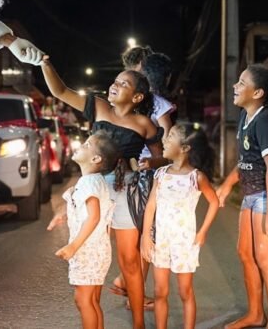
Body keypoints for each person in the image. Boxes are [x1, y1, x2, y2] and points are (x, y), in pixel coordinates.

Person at [41, 55, 161, 329]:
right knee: (92, 252)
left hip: (125, 192)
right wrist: (46, 63)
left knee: (129, 261)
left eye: (124, 83)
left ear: (138, 96)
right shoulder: (97, 106)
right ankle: (92, 313)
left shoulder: (145, 125)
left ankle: (139, 323)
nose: (115, 85)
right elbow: (59, 91)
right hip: (96, 185)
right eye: (116, 81)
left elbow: (161, 160)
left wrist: (150, 164)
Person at [216, 64, 268, 329]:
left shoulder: (265, 120)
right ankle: (255, 314)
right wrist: (228, 185)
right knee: (245, 254)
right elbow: (245, 160)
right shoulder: (245, 116)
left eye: (241, 83)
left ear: (258, 92)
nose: (234, 86)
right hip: (252, 193)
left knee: (265, 258)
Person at [113, 50, 176, 310]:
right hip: (148, 171)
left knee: (134, 233)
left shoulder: (122, 102)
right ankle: (130, 290)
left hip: (125, 170)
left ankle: (126, 283)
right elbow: (169, 137)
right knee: (149, 233)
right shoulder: (157, 102)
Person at [140, 123, 220, 329]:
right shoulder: (161, 174)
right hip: (161, 241)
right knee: (159, 291)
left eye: (171, 136)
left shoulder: (196, 177)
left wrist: (202, 232)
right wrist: (146, 237)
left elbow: (214, 202)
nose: (165, 140)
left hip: (184, 243)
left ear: (185, 148)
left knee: (185, 291)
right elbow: (151, 206)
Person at [47, 131, 119, 329]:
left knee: (83, 300)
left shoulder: (89, 183)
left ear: (96, 158)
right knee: (92, 300)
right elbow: (90, 211)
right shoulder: (95, 181)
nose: (81, 146)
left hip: (87, 250)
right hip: (97, 249)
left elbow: (94, 216)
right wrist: (64, 214)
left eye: (87, 145)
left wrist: (73, 246)